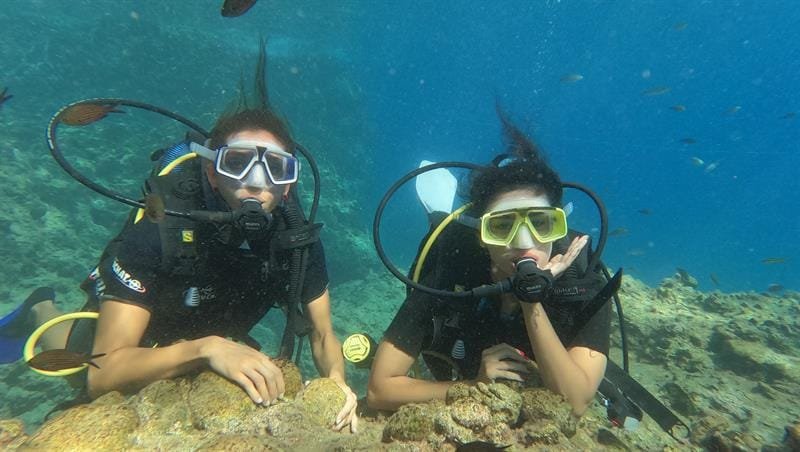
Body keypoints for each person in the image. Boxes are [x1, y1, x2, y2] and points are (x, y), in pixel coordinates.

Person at [0, 43, 358, 433]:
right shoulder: (162, 225)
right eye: (237, 162)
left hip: (215, 338)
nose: (257, 182)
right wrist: (206, 349)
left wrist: (337, 383)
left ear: (289, 186)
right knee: (78, 355)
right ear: (211, 172)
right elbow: (104, 374)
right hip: (154, 336)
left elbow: (322, 334)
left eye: (275, 168)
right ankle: (41, 308)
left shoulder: (296, 240)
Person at [367, 112, 611, 418]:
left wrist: (530, 300)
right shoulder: (452, 267)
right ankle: (440, 216)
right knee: (443, 232)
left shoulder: (581, 272)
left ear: (560, 225)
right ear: (482, 235)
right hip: (461, 364)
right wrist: (474, 386)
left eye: (541, 223)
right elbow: (379, 390)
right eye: (501, 226)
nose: (524, 242)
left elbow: (575, 402)